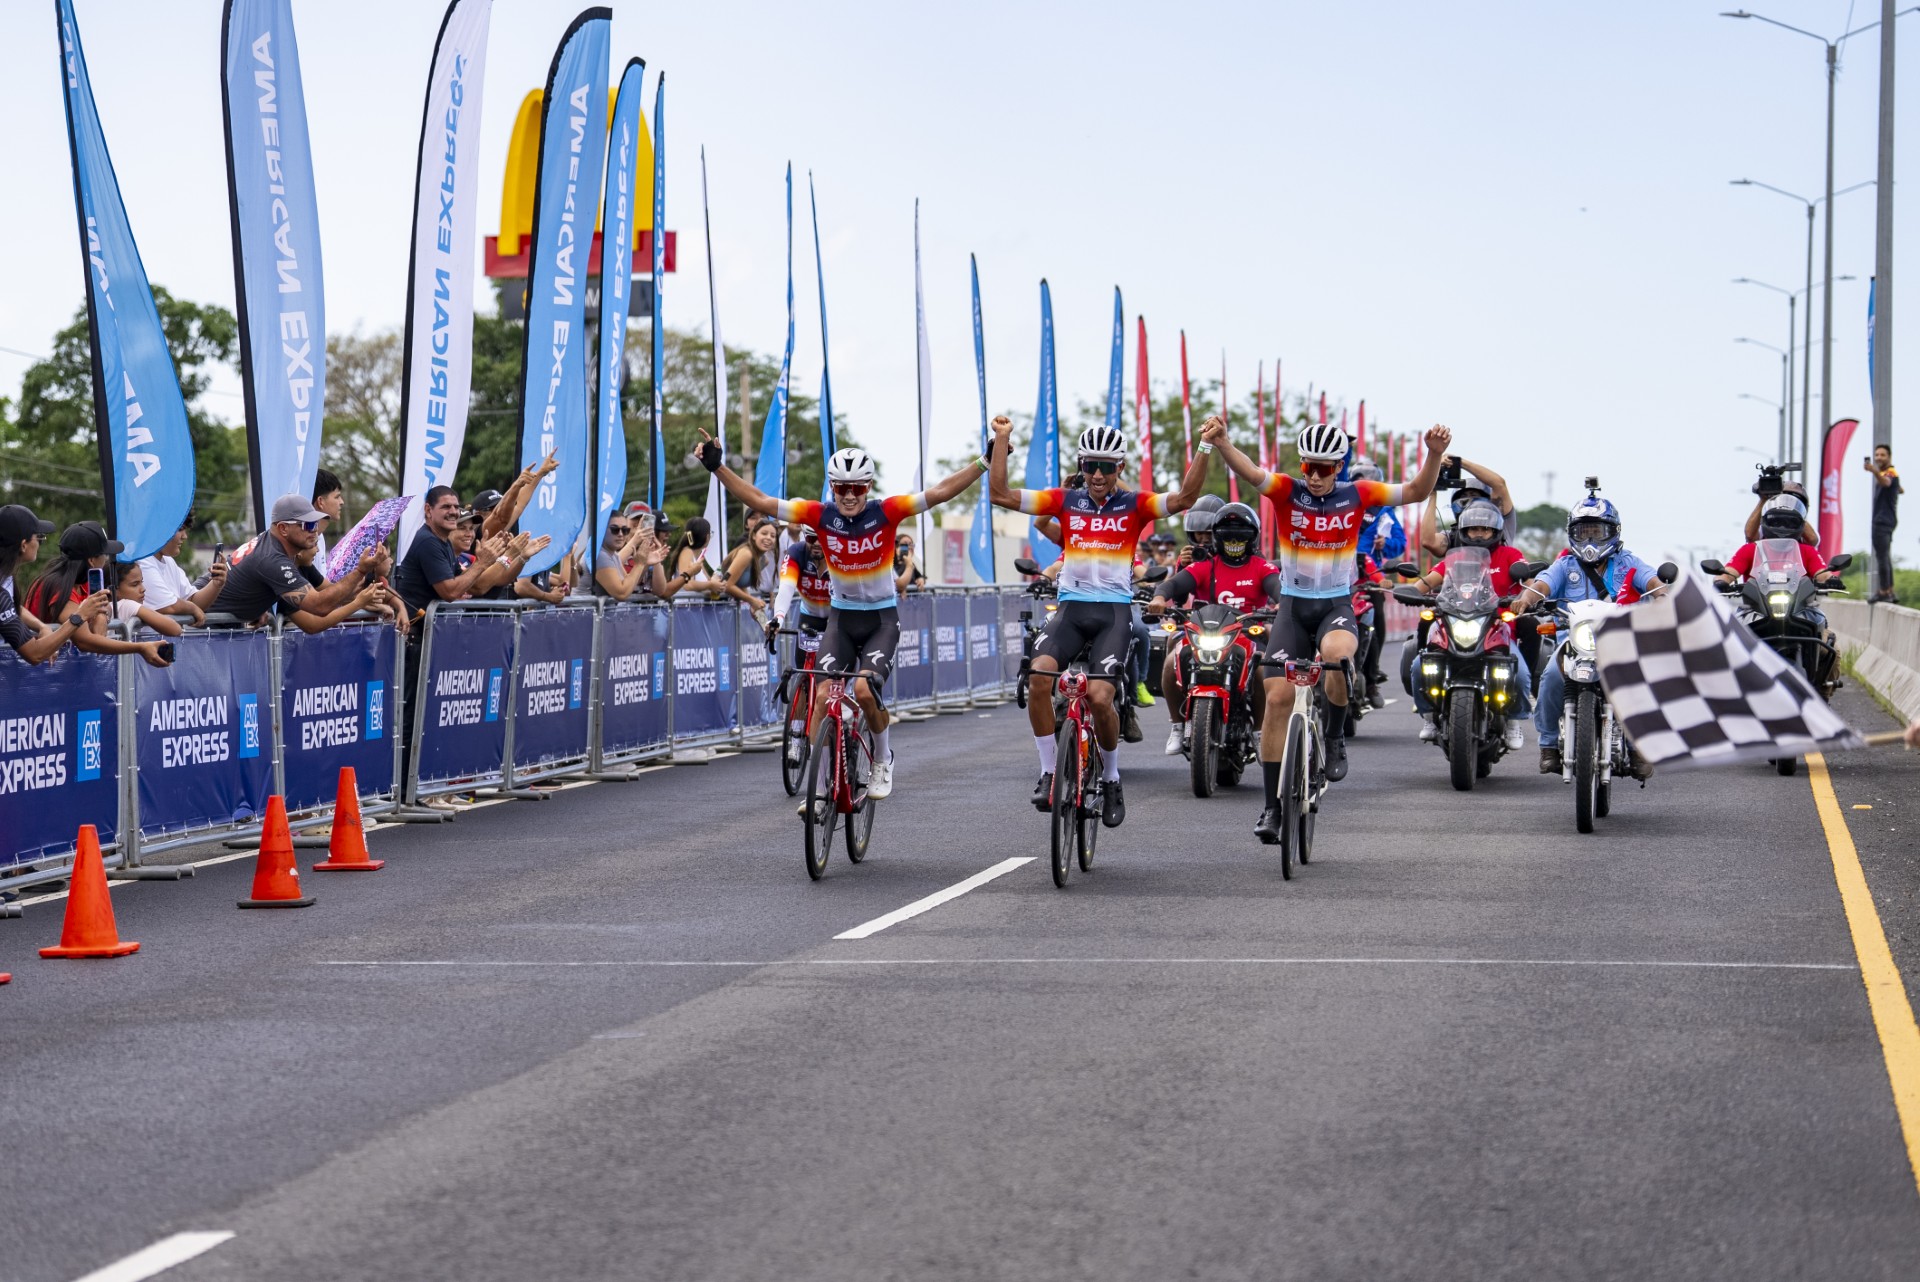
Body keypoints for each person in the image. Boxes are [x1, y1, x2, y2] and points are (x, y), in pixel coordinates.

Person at [703, 434, 991, 801]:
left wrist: (983, 461)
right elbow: (759, 501)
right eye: (841, 488)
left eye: (856, 487)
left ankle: (883, 758)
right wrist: (717, 467)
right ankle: (820, 789)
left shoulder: (886, 511)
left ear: (868, 486)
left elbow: (940, 492)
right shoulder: (819, 515)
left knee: (863, 690)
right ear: (832, 487)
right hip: (840, 620)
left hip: (881, 621)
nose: (849, 495)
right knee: (822, 696)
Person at [1204, 417, 1451, 844]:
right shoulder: (1287, 490)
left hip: (1335, 605)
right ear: (1302, 465)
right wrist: (1224, 442)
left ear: (1340, 466)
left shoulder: (1359, 494)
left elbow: (1415, 491)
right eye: (1310, 467)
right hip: (1293, 607)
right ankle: (1272, 808)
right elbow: (1248, 470)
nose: (1316, 477)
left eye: (1326, 468)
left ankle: (1335, 737)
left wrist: (1431, 455)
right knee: (1278, 697)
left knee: (1337, 661)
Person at [991, 413, 1213, 827]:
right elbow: (1000, 494)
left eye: (1106, 467)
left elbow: (1184, 498)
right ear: (1080, 466)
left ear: (1120, 469)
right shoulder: (1064, 500)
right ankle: (1048, 771)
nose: (1096, 474)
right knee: (1039, 678)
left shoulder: (1135, 504)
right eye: (1089, 465)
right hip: (1072, 610)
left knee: (1099, 698)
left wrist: (1204, 447)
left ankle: (1111, 777)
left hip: (1113, 613)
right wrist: (1002, 441)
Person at [1506, 494, 1669, 777]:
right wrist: (1526, 599)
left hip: (1620, 642)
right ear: (1573, 533)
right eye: (1584, 531)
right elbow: (1542, 585)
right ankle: (1547, 746)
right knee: (1550, 679)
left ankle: (1638, 746)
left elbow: (1654, 583)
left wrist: (1664, 597)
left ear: (1613, 532)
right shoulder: (1565, 566)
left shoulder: (1629, 562)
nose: (1591, 539)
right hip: (1574, 642)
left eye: (1597, 531)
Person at [1147, 501, 1281, 756]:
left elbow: (1278, 589)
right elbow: (1172, 585)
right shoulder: (1204, 565)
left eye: (1240, 535)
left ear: (1252, 538)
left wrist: (1281, 605)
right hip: (1207, 634)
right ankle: (1177, 726)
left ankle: (1260, 732)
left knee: (1263, 667)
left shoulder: (1262, 567)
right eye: (1226, 535)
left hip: (1248, 634)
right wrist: (1159, 598)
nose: (1233, 540)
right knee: (1169, 662)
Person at [1405, 500, 1531, 749]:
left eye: (1485, 529)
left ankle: (1514, 721)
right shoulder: (1456, 558)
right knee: (1420, 666)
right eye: (1474, 529)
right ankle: (1429, 716)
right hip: (1456, 625)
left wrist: (1527, 596)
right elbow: (1425, 584)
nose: (1479, 533)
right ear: (1464, 531)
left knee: (1521, 674)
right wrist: (1413, 592)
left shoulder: (1511, 556)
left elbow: (1530, 581)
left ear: (1496, 531)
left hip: (1498, 630)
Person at [24, 523, 172, 667]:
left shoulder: (83, 581)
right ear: (92, 560)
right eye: (105, 554)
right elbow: (85, 641)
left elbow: (103, 606)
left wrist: (102, 615)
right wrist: (139, 648)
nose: (106, 560)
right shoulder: (60, 589)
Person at [0, 504, 109, 665]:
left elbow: (13, 608)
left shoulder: (5, 577)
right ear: (23, 545)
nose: (39, 543)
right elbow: (34, 653)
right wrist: (79, 616)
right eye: (39, 537)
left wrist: (42, 626)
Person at [391, 487, 508, 622]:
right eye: (446, 507)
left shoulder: (443, 542)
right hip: (418, 637)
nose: (453, 512)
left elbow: (468, 584)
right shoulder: (427, 541)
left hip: (435, 632)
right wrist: (482, 563)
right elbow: (450, 592)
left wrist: (505, 557)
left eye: (456, 507)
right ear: (428, 510)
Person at [1419, 457, 1516, 557]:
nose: (1468, 500)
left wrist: (1459, 462)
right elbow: (1428, 542)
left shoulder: (1502, 524)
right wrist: (1433, 493)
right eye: (1463, 496)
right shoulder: (1454, 536)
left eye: (1473, 495)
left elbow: (1499, 484)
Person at [137, 512, 224, 624]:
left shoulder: (169, 561)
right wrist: (192, 608)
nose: (185, 536)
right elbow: (170, 606)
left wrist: (216, 584)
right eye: (180, 529)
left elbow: (193, 600)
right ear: (160, 528)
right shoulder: (142, 561)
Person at [1868, 444, 1903, 602]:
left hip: (1882, 521)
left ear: (1889, 457)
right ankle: (1889, 590)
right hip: (1887, 520)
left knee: (1882, 557)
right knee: (1885, 557)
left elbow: (1886, 483)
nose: (1878, 458)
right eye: (1877, 455)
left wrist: (1874, 471)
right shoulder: (1890, 474)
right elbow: (1897, 487)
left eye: (1882, 455)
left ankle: (1884, 591)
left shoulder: (1888, 473)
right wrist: (1898, 488)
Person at [112, 562, 184, 637]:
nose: (143, 589)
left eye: (141, 582)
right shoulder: (126, 605)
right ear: (114, 590)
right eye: (135, 584)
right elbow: (175, 629)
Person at [1177, 495, 1224, 568]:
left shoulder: (1229, 557)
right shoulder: (1186, 557)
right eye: (1199, 533)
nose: (1205, 539)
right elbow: (1178, 579)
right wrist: (1183, 566)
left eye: (1209, 533)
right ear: (1192, 534)